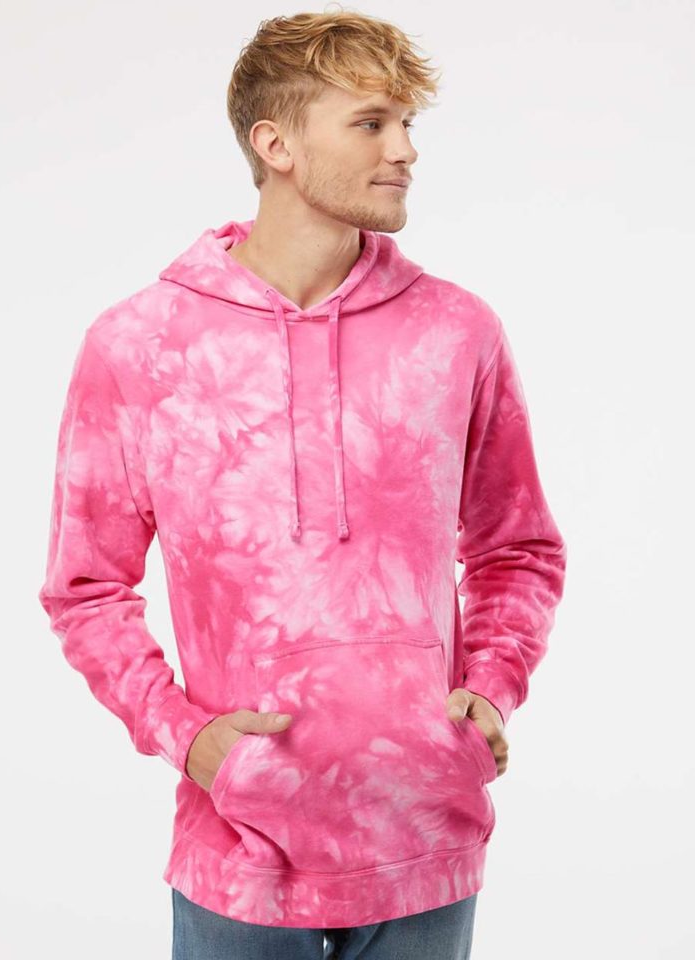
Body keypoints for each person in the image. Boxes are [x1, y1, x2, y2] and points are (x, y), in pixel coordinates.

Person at [37, 8, 567, 959]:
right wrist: (185, 736)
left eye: (407, 124)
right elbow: (85, 589)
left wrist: (489, 691)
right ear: (274, 144)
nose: (405, 150)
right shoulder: (141, 344)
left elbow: (517, 548)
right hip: (238, 852)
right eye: (371, 124)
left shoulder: (457, 333)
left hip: (426, 841)